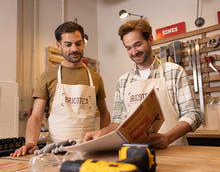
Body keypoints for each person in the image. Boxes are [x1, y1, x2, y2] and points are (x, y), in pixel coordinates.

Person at [84, 19, 202, 149]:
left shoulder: (174, 72)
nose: (134, 52)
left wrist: (168, 138)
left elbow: (193, 114)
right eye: (128, 48)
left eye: (137, 45)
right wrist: (101, 133)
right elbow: (118, 122)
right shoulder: (123, 81)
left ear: (150, 40)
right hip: (137, 153)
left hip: (174, 150)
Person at [11, 21, 110, 156]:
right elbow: (36, 116)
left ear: (83, 43)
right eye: (68, 45)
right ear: (59, 46)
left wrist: (103, 140)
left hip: (88, 150)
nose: (74, 49)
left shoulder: (95, 78)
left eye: (78, 43)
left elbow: (104, 113)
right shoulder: (47, 77)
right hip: (55, 151)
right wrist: (31, 142)